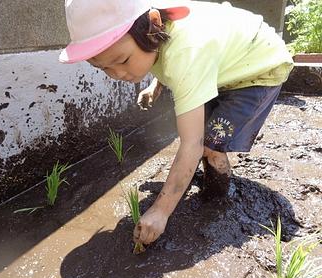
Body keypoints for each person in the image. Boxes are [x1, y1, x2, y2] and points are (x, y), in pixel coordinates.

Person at [59, 0, 293, 247]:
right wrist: (155, 84)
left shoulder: (186, 50)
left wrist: (161, 211)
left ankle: (217, 198)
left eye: (122, 60)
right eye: (103, 68)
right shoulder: (156, 33)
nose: (116, 74)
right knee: (205, 134)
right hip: (225, 63)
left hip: (259, 68)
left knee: (209, 145)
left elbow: (191, 142)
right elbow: (167, 58)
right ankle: (211, 183)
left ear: (153, 26)